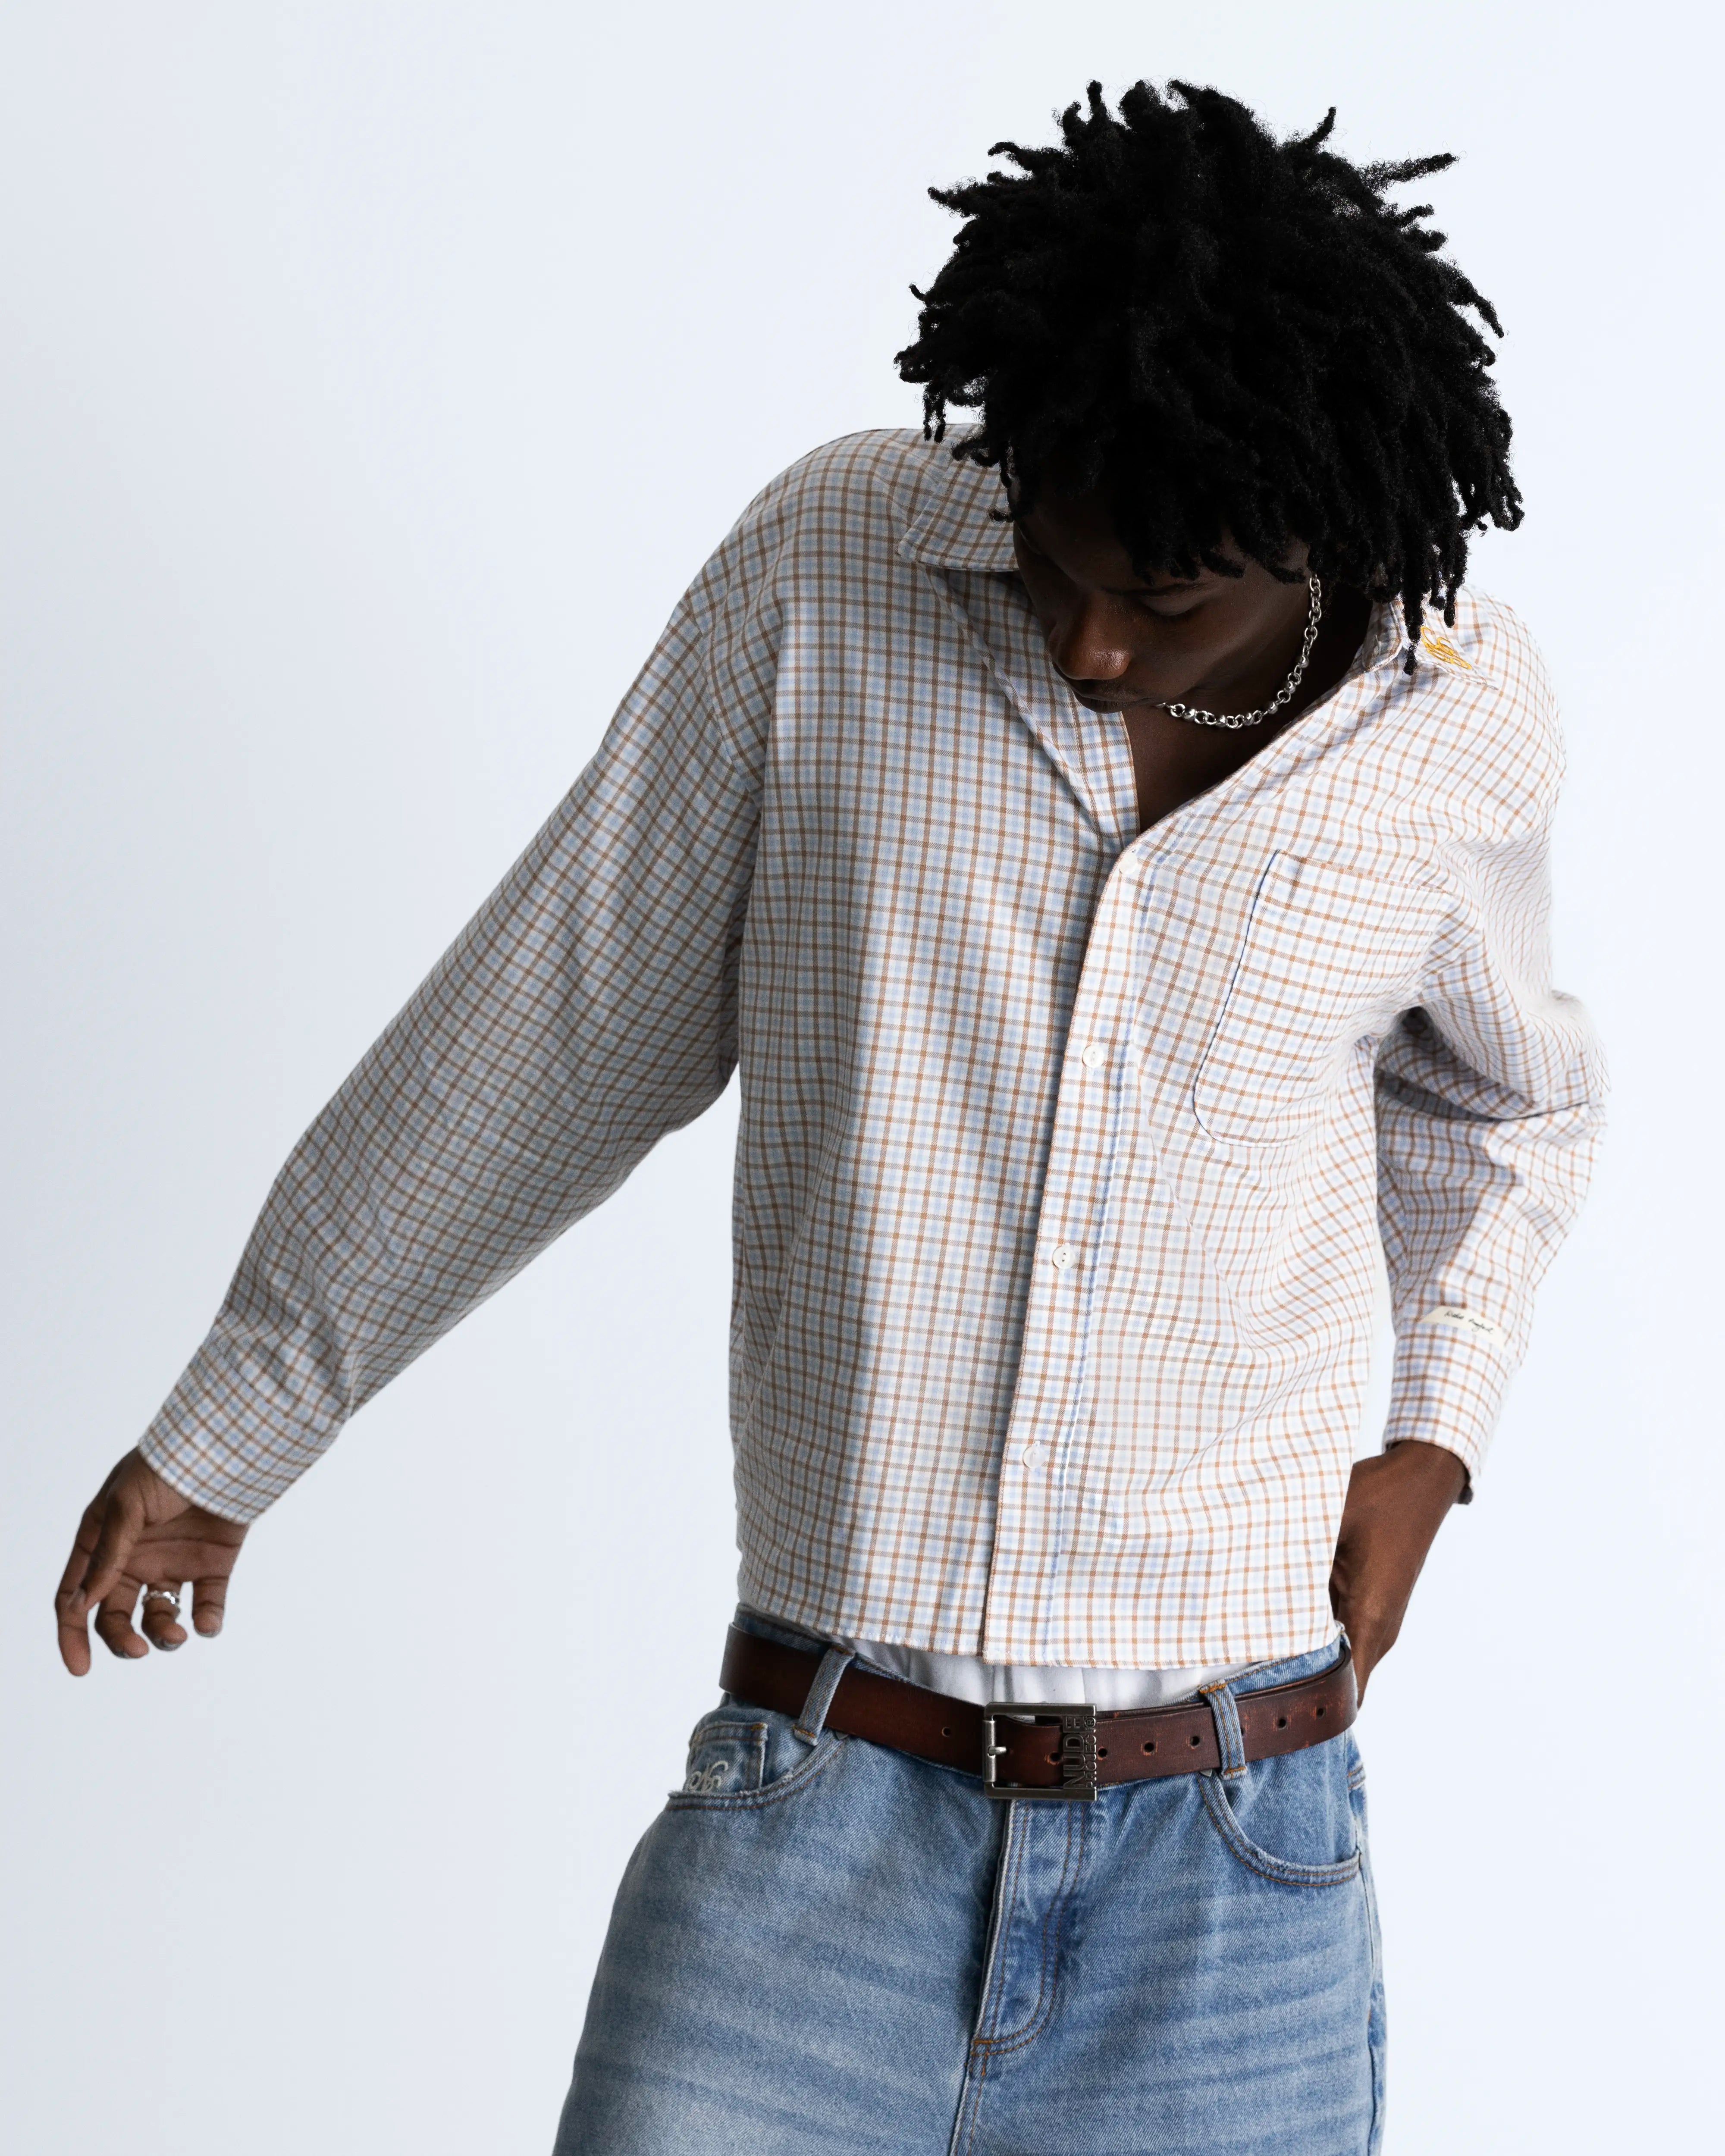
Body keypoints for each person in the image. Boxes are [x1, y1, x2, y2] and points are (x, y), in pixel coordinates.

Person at [54, 79, 1603, 2156]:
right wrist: (248, 1412)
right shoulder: (828, 569)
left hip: (1236, 1870)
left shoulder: (1453, 715)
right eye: (1057, 555)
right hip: (818, 1808)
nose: (1091, 640)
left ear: (1318, 538)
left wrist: (1429, 1436)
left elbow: (1508, 1103)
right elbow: (559, 1014)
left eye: (1166, 599)